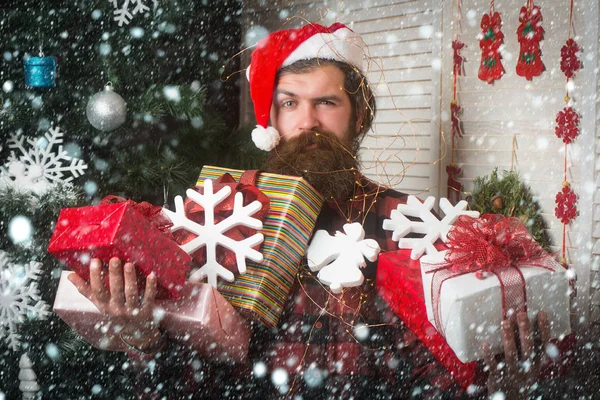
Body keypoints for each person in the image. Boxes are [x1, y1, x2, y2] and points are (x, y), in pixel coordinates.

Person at [68, 22, 557, 399]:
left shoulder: (409, 224)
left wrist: (504, 379)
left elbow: (439, 377)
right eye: (289, 104)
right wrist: (148, 341)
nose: (307, 122)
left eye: (326, 102)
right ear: (272, 120)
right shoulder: (222, 218)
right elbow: (194, 380)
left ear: (358, 115)